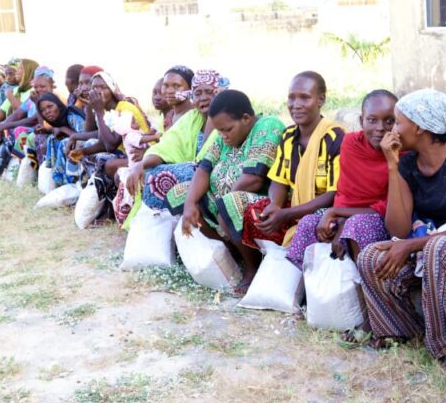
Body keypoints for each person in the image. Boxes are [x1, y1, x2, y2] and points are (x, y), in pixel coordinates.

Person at [356, 88, 446, 361]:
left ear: (418, 127)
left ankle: (445, 349)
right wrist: (392, 167)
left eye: (397, 122)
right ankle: (400, 331)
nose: (391, 130)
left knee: (437, 248)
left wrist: (412, 245)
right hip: (423, 243)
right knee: (371, 256)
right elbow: (397, 229)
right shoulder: (407, 164)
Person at [180, 90, 286, 292]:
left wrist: (223, 207)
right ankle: (232, 256)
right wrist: (190, 203)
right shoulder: (223, 135)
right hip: (226, 200)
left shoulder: (268, 125)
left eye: (227, 129)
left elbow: (254, 179)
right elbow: (204, 168)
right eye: (219, 131)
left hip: (260, 203)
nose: (223, 135)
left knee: (229, 204)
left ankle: (252, 266)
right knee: (183, 194)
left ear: (246, 118)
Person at [286, 89, 398, 270]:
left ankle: (365, 289)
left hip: (381, 221)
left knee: (356, 225)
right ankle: (303, 289)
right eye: (372, 120)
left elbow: (389, 207)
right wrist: (339, 220)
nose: (380, 128)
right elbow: (346, 193)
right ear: (361, 121)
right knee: (308, 223)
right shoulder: (351, 143)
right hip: (345, 214)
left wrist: (341, 216)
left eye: (389, 121)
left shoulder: (402, 151)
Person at [242, 71, 345, 248]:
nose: (296, 105)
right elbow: (279, 179)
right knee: (253, 213)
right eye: (291, 98)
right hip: (295, 207)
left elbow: (333, 193)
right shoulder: (289, 136)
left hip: (326, 211)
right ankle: (265, 258)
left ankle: (295, 256)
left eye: (305, 98)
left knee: (312, 222)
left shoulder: (334, 137)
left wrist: (287, 213)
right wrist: (276, 205)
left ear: (320, 100)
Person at [130, 68, 228, 216]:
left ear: (220, 93)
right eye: (198, 93)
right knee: (150, 172)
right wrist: (140, 165)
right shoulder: (191, 118)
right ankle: (163, 216)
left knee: (160, 175)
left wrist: (214, 111)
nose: (203, 98)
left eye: (209, 92)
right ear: (192, 96)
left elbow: (205, 162)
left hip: (218, 178)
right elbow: (166, 146)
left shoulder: (229, 118)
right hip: (196, 176)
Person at [37, 94, 87, 187]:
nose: (47, 111)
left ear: (59, 105)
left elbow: (85, 137)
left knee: (65, 142)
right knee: (52, 139)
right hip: (79, 149)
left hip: (90, 148)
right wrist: (48, 130)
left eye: (50, 106)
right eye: (42, 110)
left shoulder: (71, 114)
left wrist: (63, 129)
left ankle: (70, 180)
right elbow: (58, 130)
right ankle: (59, 181)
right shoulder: (60, 119)